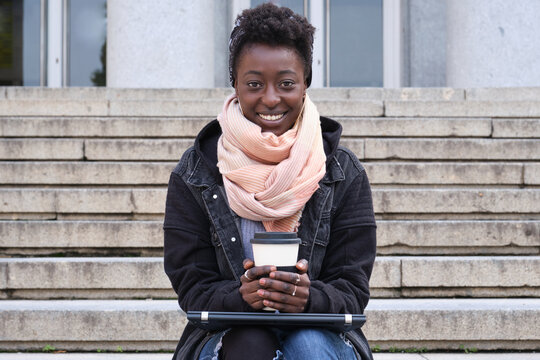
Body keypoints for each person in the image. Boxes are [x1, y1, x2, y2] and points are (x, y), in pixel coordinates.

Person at [164, 3, 376, 359]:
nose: (271, 98)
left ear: (306, 82)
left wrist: (309, 297)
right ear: (235, 84)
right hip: (227, 334)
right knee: (250, 344)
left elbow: (353, 288)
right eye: (254, 84)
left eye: (286, 83)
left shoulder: (342, 171)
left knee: (308, 344)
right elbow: (193, 286)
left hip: (321, 332)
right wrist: (241, 298)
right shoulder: (196, 172)